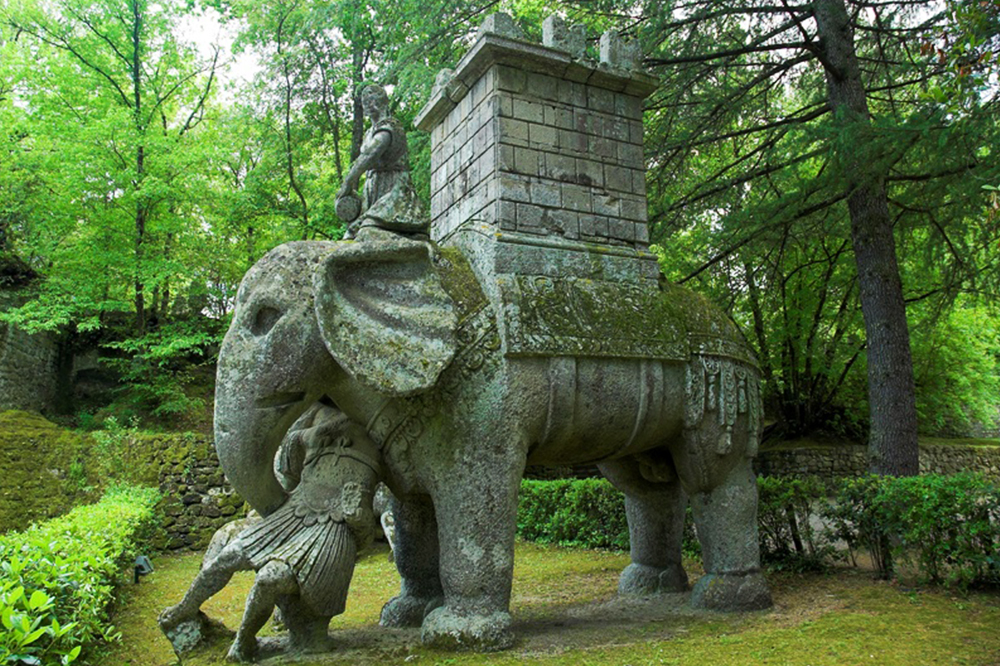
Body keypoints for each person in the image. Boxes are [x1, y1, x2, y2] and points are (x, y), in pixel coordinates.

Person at [158, 405, 381, 662]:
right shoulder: (315, 421)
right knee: (228, 555)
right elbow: (288, 464)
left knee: (269, 578)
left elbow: (365, 536)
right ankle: (184, 608)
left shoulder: (377, 435)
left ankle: (244, 640)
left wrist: (358, 517)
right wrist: (314, 432)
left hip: (331, 528)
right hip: (294, 510)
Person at [336, 85, 428, 239]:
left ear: (384, 102)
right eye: (365, 102)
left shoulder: (390, 126)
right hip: (373, 188)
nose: (368, 105)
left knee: (369, 230)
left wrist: (349, 181)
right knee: (352, 233)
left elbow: (370, 154)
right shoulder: (368, 133)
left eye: (372, 100)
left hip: (394, 189)